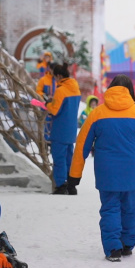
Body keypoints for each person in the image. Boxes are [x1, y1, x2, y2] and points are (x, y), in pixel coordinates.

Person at [68, 74, 135, 262]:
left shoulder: (97, 113)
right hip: (132, 172)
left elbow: (82, 145)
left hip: (107, 173)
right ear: (130, 91)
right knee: (130, 208)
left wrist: (74, 175)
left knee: (110, 208)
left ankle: (113, 247)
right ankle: (127, 243)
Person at [46, 63, 81, 195]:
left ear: (59, 76)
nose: (55, 79)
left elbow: (54, 110)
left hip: (60, 130)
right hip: (71, 130)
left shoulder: (61, 90)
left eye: (55, 77)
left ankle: (61, 185)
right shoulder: (75, 88)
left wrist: (48, 104)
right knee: (69, 159)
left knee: (59, 159)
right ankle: (71, 185)